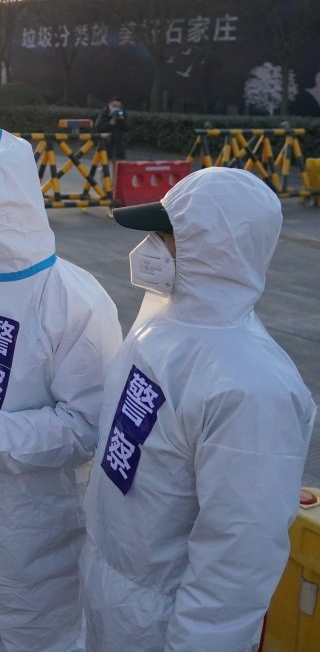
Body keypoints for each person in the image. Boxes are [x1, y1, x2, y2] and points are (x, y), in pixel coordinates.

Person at [81, 167, 316, 652]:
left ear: (216, 249)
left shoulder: (250, 386)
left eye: (164, 236)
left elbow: (237, 560)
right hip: (113, 591)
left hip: (165, 623)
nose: (148, 248)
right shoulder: (161, 327)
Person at [0, 128, 123, 652]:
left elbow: (89, 426)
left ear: (14, 209)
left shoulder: (71, 298)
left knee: (41, 636)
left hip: (34, 524)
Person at [95, 96, 128, 163]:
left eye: (118, 106)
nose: (116, 108)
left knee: (118, 167)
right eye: (114, 106)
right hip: (105, 145)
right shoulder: (104, 114)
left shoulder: (123, 114)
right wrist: (109, 124)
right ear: (109, 105)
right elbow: (98, 129)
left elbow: (127, 128)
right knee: (104, 167)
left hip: (119, 146)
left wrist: (121, 121)